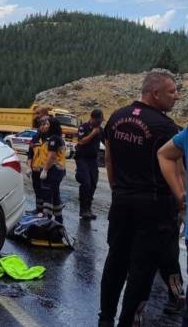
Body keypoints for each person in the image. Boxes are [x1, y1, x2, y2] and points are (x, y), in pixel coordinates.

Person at [98, 71, 181, 327]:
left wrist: (117, 190)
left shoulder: (116, 117)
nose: (176, 96)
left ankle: (105, 320)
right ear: (155, 94)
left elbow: (109, 158)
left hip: (122, 202)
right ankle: (127, 322)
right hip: (154, 208)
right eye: (171, 92)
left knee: (115, 263)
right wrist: (180, 203)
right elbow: (178, 171)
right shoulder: (166, 128)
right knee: (141, 272)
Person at [157, 123, 188, 319]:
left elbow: (179, 169)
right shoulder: (168, 130)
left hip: (162, 203)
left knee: (168, 256)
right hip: (163, 203)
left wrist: (182, 199)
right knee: (167, 256)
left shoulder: (171, 133)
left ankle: (177, 295)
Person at [31, 117, 66, 223]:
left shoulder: (54, 139)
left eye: (48, 124)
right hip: (57, 171)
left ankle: (46, 218)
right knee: (55, 195)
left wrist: (45, 170)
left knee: (47, 194)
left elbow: (51, 156)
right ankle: (59, 219)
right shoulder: (55, 138)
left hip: (53, 171)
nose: (46, 125)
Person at [75, 109, 105, 220]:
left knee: (93, 183)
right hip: (82, 158)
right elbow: (81, 141)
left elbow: (107, 143)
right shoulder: (84, 127)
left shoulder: (100, 130)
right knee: (86, 183)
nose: (99, 123)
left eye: (101, 121)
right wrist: (93, 133)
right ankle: (83, 210)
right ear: (92, 118)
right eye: (98, 121)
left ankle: (88, 209)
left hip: (93, 160)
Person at [27, 107, 50, 213]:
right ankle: (38, 209)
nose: (35, 116)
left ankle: (46, 212)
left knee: (46, 191)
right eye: (41, 125)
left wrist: (46, 169)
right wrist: (28, 167)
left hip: (46, 170)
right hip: (36, 170)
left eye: (37, 114)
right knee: (37, 190)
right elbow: (30, 153)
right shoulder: (35, 137)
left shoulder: (51, 138)